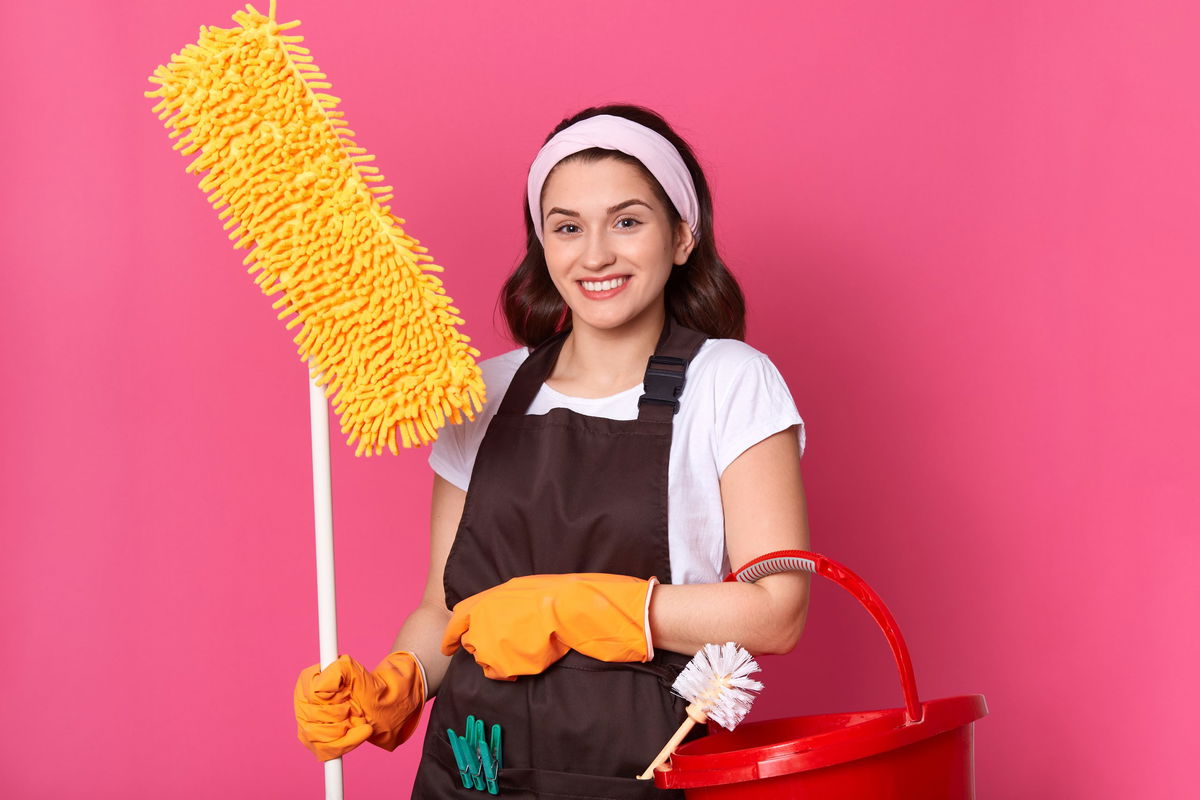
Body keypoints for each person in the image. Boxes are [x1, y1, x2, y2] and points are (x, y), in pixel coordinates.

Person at [293, 104, 811, 798]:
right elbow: (443, 609)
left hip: (640, 768)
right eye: (566, 228)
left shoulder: (731, 382)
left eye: (627, 221)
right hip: (471, 770)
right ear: (544, 244)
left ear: (683, 237)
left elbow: (777, 611)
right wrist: (402, 680)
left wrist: (573, 607)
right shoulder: (483, 391)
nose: (594, 255)